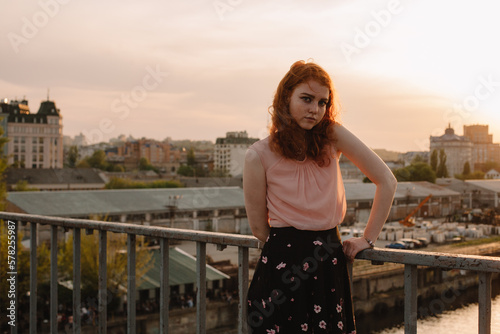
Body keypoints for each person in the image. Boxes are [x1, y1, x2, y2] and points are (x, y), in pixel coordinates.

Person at [243, 60, 397, 333]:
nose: (315, 109)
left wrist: (367, 238)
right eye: (306, 99)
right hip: (284, 269)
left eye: (323, 102)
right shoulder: (258, 154)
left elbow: (386, 180)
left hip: (326, 264)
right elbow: (257, 227)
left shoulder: (332, 136)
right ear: (285, 98)